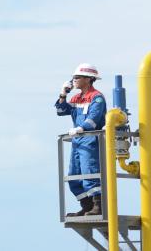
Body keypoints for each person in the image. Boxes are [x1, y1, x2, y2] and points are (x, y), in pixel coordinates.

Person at [54, 63, 106, 216]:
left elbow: (94, 118)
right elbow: (60, 110)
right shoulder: (76, 98)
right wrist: (63, 93)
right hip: (78, 141)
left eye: (77, 77)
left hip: (90, 140)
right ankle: (87, 206)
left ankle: (98, 206)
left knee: (90, 172)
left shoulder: (97, 97)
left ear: (88, 79)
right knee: (74, 175)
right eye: (73, 78)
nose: (74, 80)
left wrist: (81, 128)